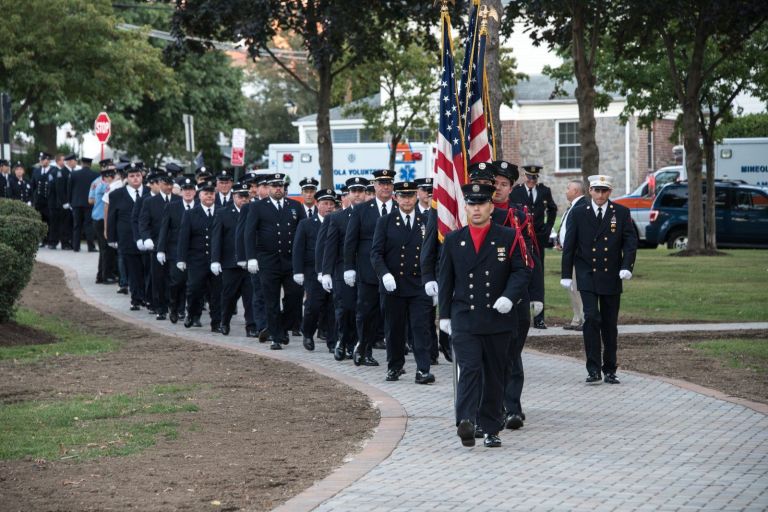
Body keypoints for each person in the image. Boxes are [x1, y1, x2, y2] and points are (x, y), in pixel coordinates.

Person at [438, 183, 530, 448]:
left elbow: (521, 271)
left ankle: (490, 427)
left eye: (481, 204)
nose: (476, 209)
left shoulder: (508, 236)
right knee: (469, 368)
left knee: (494, 374)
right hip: (465, 316)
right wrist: (444, 315)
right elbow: (446, 279)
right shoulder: (455, 240)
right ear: (465, 207)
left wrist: (509, 297)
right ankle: (466, 420)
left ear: (491, 207)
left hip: (497, 318)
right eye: (471, 204)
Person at [561, 174, 638, 385]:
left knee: (609, 324)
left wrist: (626, 267)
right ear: (590, 191)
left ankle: (610, 369)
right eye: (597, 190)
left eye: (604, 190)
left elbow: (630, 242)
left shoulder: (621, 213)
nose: (600, 194)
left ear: (610, 192)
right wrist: (566, 274)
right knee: (591, 318)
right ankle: (593, 369)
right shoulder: (578, 213)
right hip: (587, 273)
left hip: (611, 274)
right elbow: (570, 245)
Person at [371, 181, 434, 384]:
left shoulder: (427, 220)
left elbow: (435, 253)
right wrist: (384, 274)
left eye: (410, 195)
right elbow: (376, 253)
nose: (407, 200)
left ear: (416, 196)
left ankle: (423, 369)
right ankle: (394, 367)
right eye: (402, 196)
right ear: (396, 198)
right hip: (393, 285)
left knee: (420, 328)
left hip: (419, 284)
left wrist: (434, 281)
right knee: (394, 328)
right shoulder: (385, 221)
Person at [244, 172, 306, 349]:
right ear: (268, 188)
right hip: (268, 261)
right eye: (274, 185)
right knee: (271, 300)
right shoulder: (257, 207)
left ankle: (280, 327)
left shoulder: (295, 206)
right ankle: (276, 338)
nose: (278, 188)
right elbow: (249, 234)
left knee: (294, 298)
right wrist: (251, 258)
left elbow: (303, 234)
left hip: (290, 261)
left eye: (280, 185)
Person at [344, 169, 397, 366]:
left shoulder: (400, 208)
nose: (385, 187)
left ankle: (395, 357)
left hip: (394, 271)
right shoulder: (362, 210)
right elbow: (351, 241)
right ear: (374, 186)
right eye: (381, 183)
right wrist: (349, 266)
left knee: (393, 315)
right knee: (367, 314)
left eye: (388, 183)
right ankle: (364, 349)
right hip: (368, 272)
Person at [322, 177, 368, 361]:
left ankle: (358, 344)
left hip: (365, 269)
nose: (357, 194)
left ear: (365, 193)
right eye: (353, 191)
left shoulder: (373, 214)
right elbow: (330, 246)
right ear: (348, 194)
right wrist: (325, 272)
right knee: (345, 308)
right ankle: (343, 340)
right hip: (342, 269)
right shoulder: (337, 217)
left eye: (360, 191)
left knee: (363, 309)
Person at [509, 164, 557, 329]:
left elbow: (552, 209)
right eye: (529, 177)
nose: (531, 181)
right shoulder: (516, 192)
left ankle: (539, 317)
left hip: (538, 239)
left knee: (538, 275)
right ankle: (518, 314)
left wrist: (547, 228)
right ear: (524, 177)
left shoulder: (544, 191)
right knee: (520, 273)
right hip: (520, 238)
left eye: (534, 178)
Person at [211, 181, 257, 337]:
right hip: (230, 262)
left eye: (247, 196)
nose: (244, 199)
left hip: (249, 262)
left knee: (250, 297)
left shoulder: (254, 211)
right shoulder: (223, 213)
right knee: (229, 296)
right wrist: (215, 260)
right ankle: (224, 321)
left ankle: (251, 326)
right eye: (241, 196)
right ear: (234, 196)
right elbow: (217, 238)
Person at [293, 188, 336, 351]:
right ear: (317, 204)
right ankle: (308, 333)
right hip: (312, 272)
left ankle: (332, 341)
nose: (329, 207)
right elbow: (298, 249)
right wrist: (297, 271)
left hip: (332, 271)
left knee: (332, 307)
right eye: (325, 203)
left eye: (332, 204)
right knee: (313, 306)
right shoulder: (306, 224)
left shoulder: (336, 221)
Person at [177, 179, 222, 331]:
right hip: (197, 259)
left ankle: (216, 322)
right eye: (206, 193)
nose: (209, 196)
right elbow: (184, 238)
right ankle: (193, 314)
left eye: (211, 193)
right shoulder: (190, 214)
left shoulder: (221, 211)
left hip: (217, 259)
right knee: (195, 289)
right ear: (199, 195)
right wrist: (181, 258)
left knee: (217, 292)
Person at [107, 163, 150, 310]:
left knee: (148, 270)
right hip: (127, 239)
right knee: (133, 270)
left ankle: (147, 297)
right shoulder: (116, 194)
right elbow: (112, 217)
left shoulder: (150, 192)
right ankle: (136, 299)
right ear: (127, 178)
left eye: (138, 175)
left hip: (147, 239)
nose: (135, 178)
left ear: (142, 176)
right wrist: (112, 238)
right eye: (132, 176)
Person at [157, 177, 198, 323]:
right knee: (177, 282)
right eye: (185, 189)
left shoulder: (199, 206)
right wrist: (160, 249)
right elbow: (164, 229)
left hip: (194, 252)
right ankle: (174, 307)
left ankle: (192, 313)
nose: (188, 192)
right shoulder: (172, 206)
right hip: (175, 250)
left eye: (191, 189)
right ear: (180, 192)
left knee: (193, 284)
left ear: (195, 191)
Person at [139, 170, 178, 320]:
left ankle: (175, 307)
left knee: (175, 278)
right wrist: (146, 238)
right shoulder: (150, 201)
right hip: (156, 245)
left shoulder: (177, 199)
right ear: (159, 184)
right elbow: (143, 222)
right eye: (165, 183)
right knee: (158, 278)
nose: (168, 186)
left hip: (174, 245)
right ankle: (160, 308)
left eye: (170, 184)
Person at [551, 179, 586, 331]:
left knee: (578, 287)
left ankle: (585, 319)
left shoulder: (582, 206)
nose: (566, 191)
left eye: (568, 188)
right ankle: (576, 318)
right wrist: (560, 241)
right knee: (571, 287)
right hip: (568, 252)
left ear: (576, 191)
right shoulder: (571, 207)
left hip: (578, 254)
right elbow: (566, 227)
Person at [89, 161, 117, 284]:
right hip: (101, 219)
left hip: (97, 218)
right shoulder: (105, 185)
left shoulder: (96, 182)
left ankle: (101, 275)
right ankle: (106, 275)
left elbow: (91, 200)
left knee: (103, 249)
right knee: (106, 249)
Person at [68, 156, 99, 252]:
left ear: (81, 164)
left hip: (76, 203)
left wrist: (70, 202)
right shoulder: (95, 175)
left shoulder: (74, 174)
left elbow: (69, 189)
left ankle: (76, 246)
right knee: (88, 225)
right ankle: (91, 247)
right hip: (89, 203)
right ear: (90, 164)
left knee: (77, 225)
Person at [31, 152, 55, 247]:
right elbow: (33, 186)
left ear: (48, 160)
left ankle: (50, 240)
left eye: (44, 159)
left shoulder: (54, 171)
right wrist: (34, 199)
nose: (42, 161)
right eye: (41, 159)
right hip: (39, 201)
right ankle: (42, 240)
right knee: (40, 221)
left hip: (49, 201)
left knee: (50, 221)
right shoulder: (36, 171)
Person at [52, 153, 75, 250]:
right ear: (69, 162)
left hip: (71, 203)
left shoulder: (73, 172)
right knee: (64, 223)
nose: (75, 162)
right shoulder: (62, 172)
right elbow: (60, 189)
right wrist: (65, 202)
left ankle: (68, 241)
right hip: (63, 203)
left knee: (69, 223)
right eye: (74, 160)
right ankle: (64, 243)